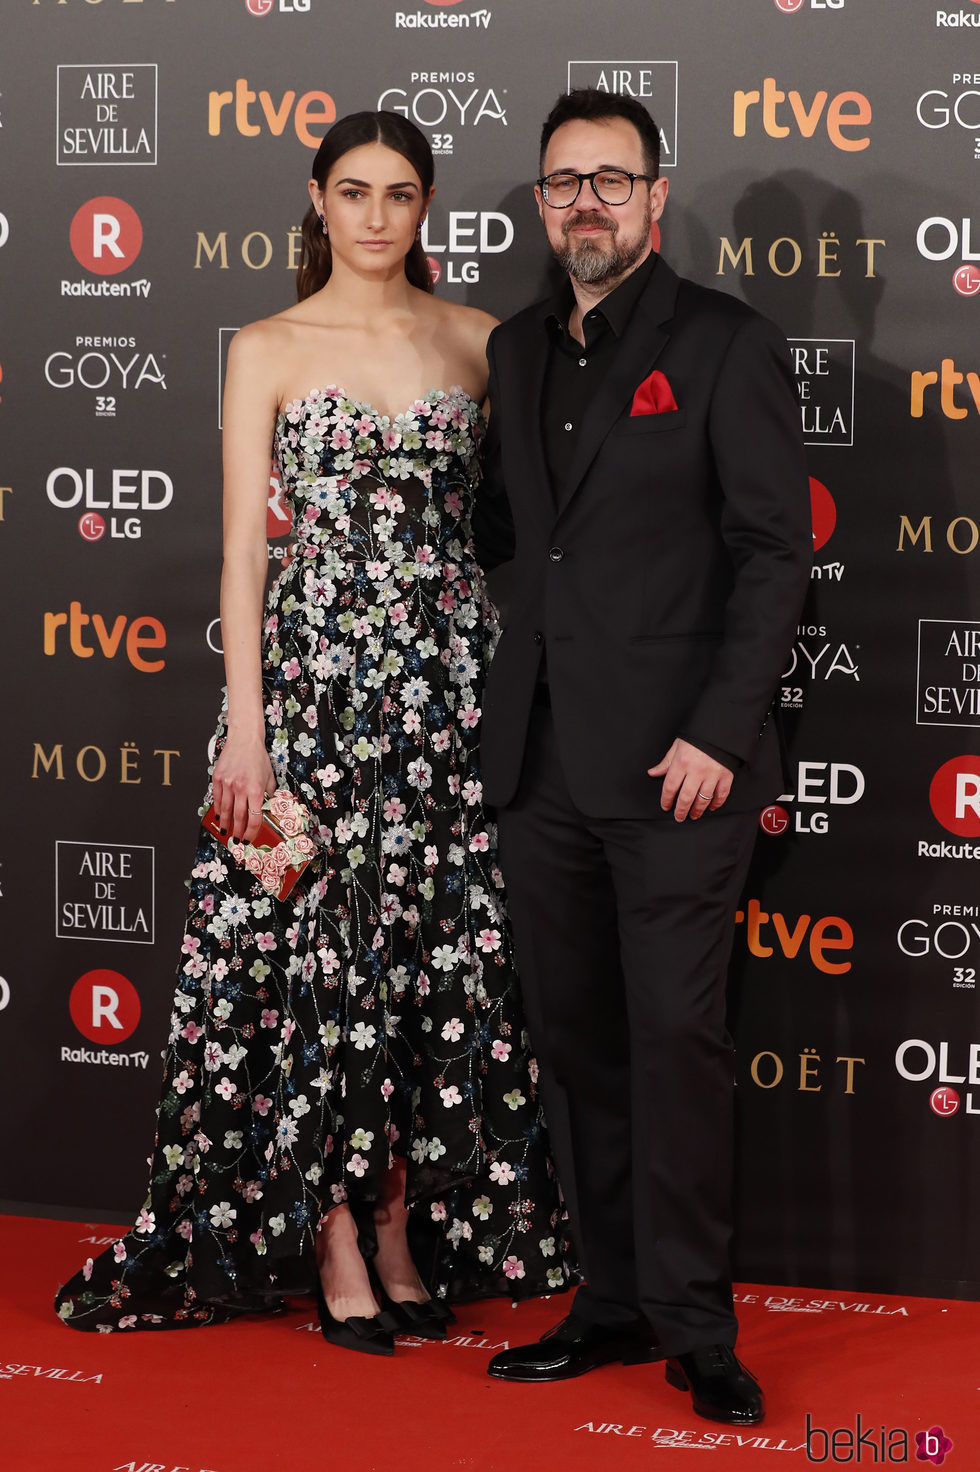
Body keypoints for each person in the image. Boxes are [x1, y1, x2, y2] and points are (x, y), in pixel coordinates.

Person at [54, 110, 575, 1353]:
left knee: (421, 959)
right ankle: (335, 1231)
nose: (379, 215)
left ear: (427, 205)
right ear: (317, 200)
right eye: (355, 191)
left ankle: (398, 1223)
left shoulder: (482, 342)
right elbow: (241, 549)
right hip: (311, 689)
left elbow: (514, 525)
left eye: (401, 193)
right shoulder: (268, 347)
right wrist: (246, 727)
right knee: (314, 958)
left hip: (446, 688)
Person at [474, 89, 812, 1422]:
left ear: (658, 198)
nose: (587, 203)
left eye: (612, 180)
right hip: (542, 764)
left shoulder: (726, 344)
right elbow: (525, 539)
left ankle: (695, 1326)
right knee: (579, 1049)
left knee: (677, 1044)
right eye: (565, 183)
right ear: (544, 201)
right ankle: (608, 1301)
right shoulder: (510, 351)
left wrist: (723, 733)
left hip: (680, 772)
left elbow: (773, 551)